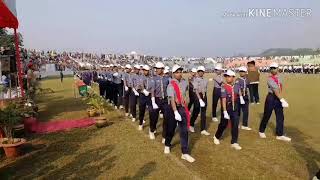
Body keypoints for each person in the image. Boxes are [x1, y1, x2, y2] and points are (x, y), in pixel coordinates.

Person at [164, 64, 195, 163]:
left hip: (182, 107)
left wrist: (185, 99)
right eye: (177, 72)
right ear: (173, 74)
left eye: (180, 71)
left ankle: (184, 153)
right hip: (172, 109)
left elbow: (185, 92)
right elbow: (172, 99)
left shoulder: (184, 82)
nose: (179, 73)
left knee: (184, 130)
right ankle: (167, 144)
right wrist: (175, 112)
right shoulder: (170, 85)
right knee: (171, 129)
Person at [258, 63, 291, 142]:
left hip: (278, 98)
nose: (273, 69)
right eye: (272, 68)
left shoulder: (280, 77)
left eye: (274, 68)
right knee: (267, 115)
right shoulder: (270, 79)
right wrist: (282, 99)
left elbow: (280, 88)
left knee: (280, 116)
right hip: (271, 98)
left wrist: (281, 98)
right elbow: (275, 90)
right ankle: (261, 130)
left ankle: (279, 134)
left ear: (277, 68)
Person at [213, 70, 242, 150]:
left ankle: (234, 142)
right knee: (223, 124)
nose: (227, 78)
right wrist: (225, 111)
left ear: (233, 77)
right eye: (226, 76)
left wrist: (241, 98)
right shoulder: (224, 87)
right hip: (227, 107)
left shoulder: (236, 85)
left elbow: (238, 92)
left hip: (235, 106)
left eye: (229, 76)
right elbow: (223, 100)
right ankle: (216, 136)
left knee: (235, 124)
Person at [149, 62, 170, 143]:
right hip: (156, 100)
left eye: (158, 68)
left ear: (162, 69)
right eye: (156, 68)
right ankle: (152, 130)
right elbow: (152, 90)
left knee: (166, 118)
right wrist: (153, 101)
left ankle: (164, 136)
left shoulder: (167, 78)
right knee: (154, 117)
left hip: (165, 100)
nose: (156, 70)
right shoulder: (153, 78)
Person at [189, 66, 210, 135]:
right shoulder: (195, 80)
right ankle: (191, 124)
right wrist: (200, 99)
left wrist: (204, 97)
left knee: (203, 113)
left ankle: (203, 129)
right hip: (197, 96)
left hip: (204, 96)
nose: (200, 72)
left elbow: (205, 89)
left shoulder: (205, 80)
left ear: (203, 72)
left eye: (202, 71)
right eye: (199, 71)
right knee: (196, 111)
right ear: (197, 72)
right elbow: (196, 90)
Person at [137, 65, 153, 130]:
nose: (145, 71)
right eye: (144, 70)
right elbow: (140, 85)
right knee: (142, 110)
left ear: (148, 71)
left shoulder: (151, 77)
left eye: (146, 70)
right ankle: (140, 123)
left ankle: (151, 127)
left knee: (151, 111)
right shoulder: (141, 77)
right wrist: (144, 90)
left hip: (149, 95)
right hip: (143, 96)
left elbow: (153, 86)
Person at [236, 66, 252, 131]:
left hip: (245, 97)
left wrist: (250, 96)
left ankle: (244, 125)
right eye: (241, 71)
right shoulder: (237, 80)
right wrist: (240, 97)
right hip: (239, 97)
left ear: (246, 72)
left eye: (243, 71)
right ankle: (236, 124)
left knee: (246, 111)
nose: (242, 73)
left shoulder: (247, 80)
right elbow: (238, 88)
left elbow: (248, 88)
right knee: (238, 111)